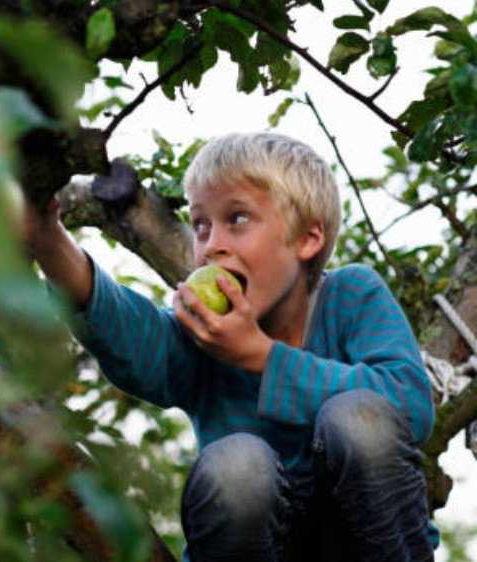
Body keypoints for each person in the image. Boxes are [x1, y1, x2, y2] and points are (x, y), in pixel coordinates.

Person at [25, 132, 436, 561]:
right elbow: (131, 333)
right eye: (201, 225)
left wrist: (261, 357)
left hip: (368, 545)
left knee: (359, 419)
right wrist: (48, 238)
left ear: (307, 239)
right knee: (236, 466)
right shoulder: (205, 340)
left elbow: (410, 404)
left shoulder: (352, 295)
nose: (211, 245)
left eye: (237, 218)